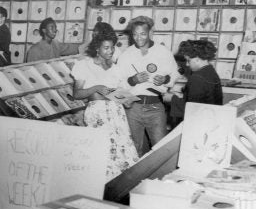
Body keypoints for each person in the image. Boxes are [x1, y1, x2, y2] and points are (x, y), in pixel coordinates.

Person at [71, 31, 139, 179]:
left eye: (112, 47)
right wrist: (95, 88)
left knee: (122, 151)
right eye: (106, 48)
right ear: (97, 48)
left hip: (117, 113)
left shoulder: (116, 68)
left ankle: (119, 185)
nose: (110, 51)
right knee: (101, 152)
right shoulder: (84, 65)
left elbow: (120, 92)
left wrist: (127, 100)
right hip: (98, 113)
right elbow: (76, 94)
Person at [117, 16, 179, 156]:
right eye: (135, 34)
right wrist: (133, 80)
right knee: (132, 149)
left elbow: (173, 75)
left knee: (160, 148)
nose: (138, 38)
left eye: (143, 34)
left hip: (155, 107)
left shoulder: (163, 52)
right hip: (133, 107)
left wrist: (164, 79)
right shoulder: (126, 55)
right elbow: (118, 83)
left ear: (151, 33)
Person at [164, 40, 222, 125]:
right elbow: (202, 99)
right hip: (211, 120)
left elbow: (191, 108)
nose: (187, 64)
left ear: (197, 59)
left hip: (199, 123)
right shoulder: (211, 72)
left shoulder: (197, 78)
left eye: (188, 60)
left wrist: (170, 98)